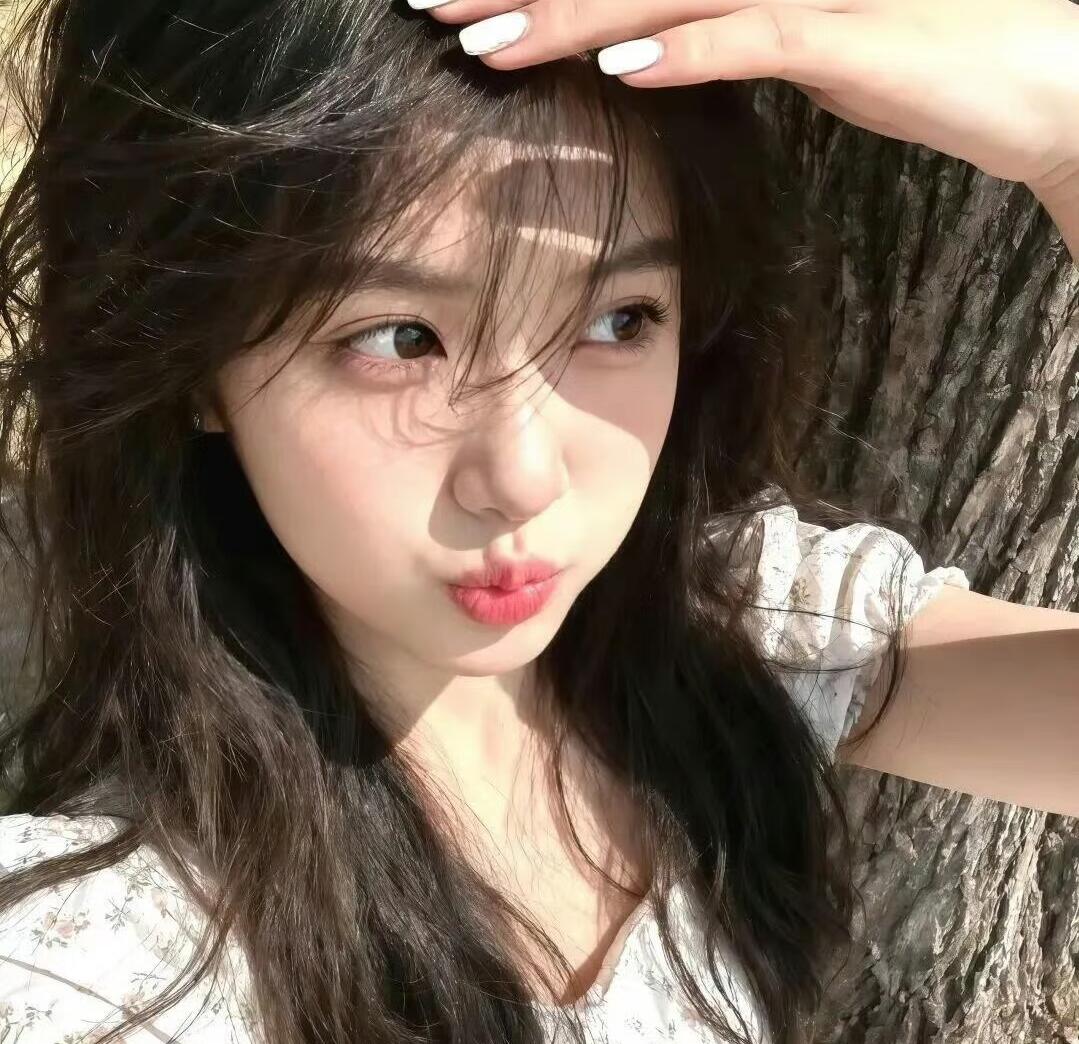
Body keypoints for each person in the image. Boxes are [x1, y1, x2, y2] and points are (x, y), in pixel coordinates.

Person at [0, 1, 1075, 1043]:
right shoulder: (106, 966)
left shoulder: (730, 636)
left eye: (618, 319)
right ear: (192, 362)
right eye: (398, 338)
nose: (521, 478)